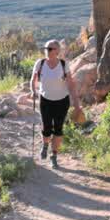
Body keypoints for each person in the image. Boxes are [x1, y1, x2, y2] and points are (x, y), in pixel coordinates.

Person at [31, 39, 81, 168]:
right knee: (46, 128)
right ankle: (45, 144)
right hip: (45, 100)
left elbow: (70, 84)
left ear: (57, 51)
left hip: (61, 101)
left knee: (58, 129)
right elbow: (33, 79)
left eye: (50, 49)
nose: (46, 51)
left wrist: (76, 104)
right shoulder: (40, 63)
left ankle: (54, 156)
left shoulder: (64, 65)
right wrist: (33, 90)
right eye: (45, 48)